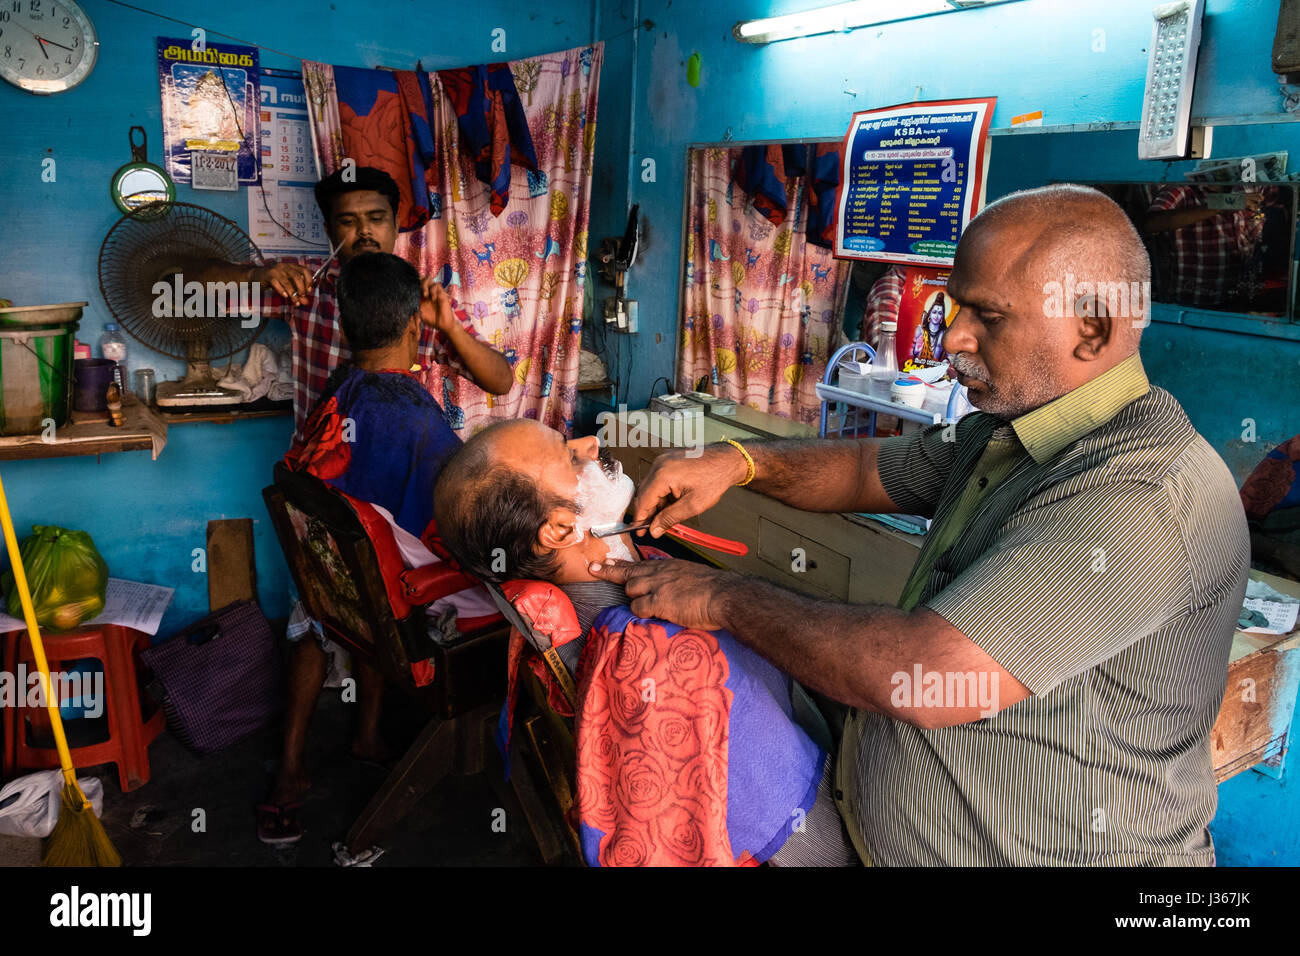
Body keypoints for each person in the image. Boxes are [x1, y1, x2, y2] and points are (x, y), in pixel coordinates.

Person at [590, 184, 1251, 866]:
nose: (953, 339)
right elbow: (865, 470)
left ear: (1093, 328)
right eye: (956, 305)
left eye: (987, 317)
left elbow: (924, 671)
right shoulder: (1007, 433)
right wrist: (739, 463)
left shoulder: (1138, 493)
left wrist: (722, 597)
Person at [432, 419, 857, 866]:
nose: (590, 443)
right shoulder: (660, 659)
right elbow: (790, 818)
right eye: (570, 454)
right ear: (559, 530)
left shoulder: (597, 611)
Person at [257, 252, 480, 844]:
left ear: (345, 324)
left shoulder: (342, 388)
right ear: (415, 327)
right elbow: (455, 520)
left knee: (349, 579)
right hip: (393, 606)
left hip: (334, 595)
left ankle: (309, 760)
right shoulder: (410, 416)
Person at [192, 165, 513, 439]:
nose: (364, 232)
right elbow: (186, 286)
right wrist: (260, 275)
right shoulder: (304, 285)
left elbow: (500, 381)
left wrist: (450, 328)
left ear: (395, 223)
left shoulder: (425, 300)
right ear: (329, 230)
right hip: (318, 473)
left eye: (376, 218)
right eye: (348, 221)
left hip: (392, 471)